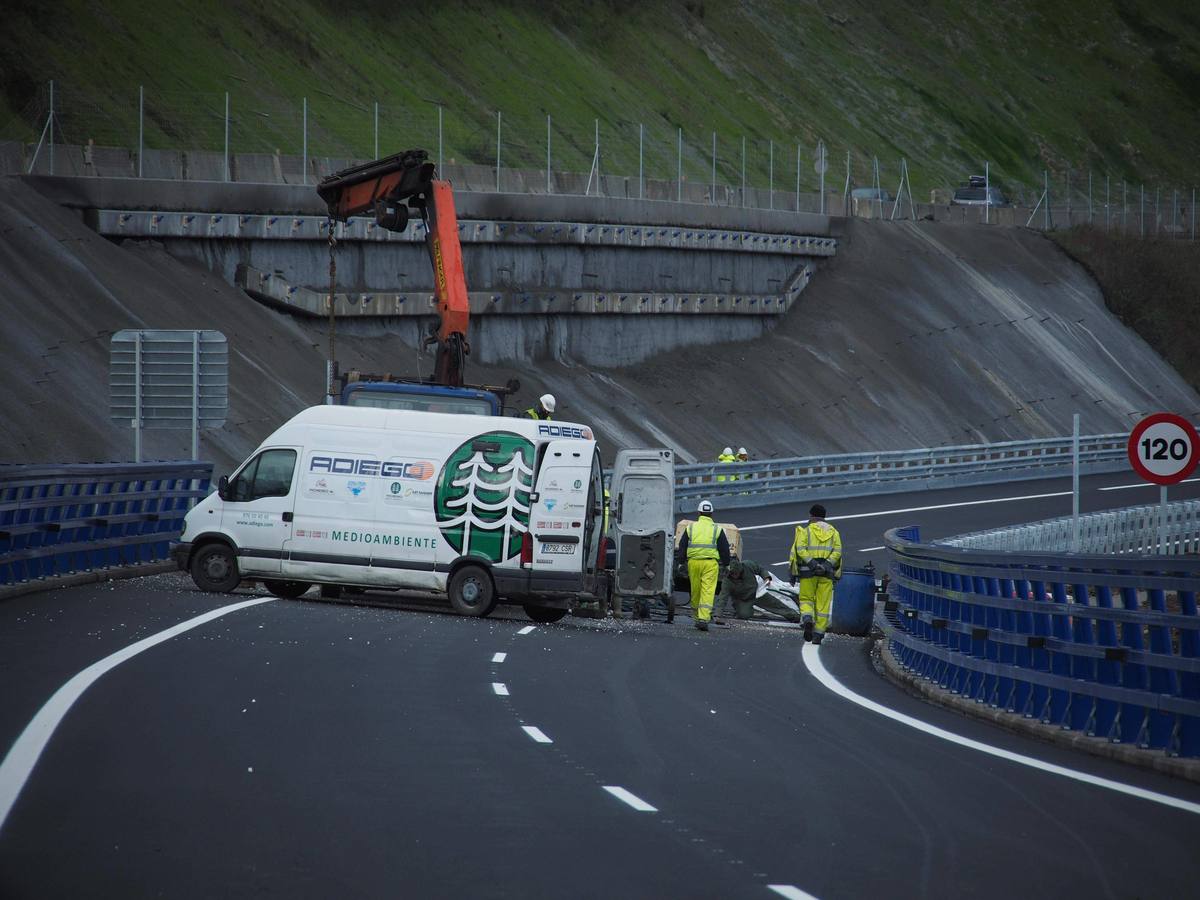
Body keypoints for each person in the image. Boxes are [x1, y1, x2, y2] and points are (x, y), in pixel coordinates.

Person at [788, 504, 842, 644]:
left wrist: (812, 563)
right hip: (826, 573)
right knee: (823, 604)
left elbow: (800, 549)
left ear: (811, 516)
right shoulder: (834, 532)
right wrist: (826, 565)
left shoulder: (806, 531)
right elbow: (837, 552)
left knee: (806, 599)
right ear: (824, 517)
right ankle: (818, 634)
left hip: (808, 572)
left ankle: (807, 619)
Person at [676, 499, 731, 631]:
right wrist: (727, 564)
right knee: (708, 590)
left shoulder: (691, 527)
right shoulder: (717, 529)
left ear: (699, 513)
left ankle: (696, 617)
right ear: (711, 514)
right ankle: (703, 618)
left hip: (693, 563)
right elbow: (724, 548)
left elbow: (682, 545)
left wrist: (680, 562)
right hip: (710, 564)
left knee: (696, 590)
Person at [717, 557, 802, 622]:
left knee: (776, 605)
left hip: (757, 593)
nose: (734, 576)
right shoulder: (727, 581)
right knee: (744, 615)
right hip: (743, 599)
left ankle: (796, 617)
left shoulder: (748, 565)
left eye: (736, 573)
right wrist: (718, 615)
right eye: (732, 574)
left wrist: (766, 577)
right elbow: (723, 598)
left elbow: (760, 570)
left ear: (740, 569)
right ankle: (745, 610)